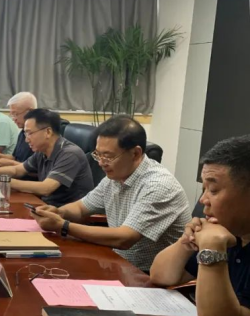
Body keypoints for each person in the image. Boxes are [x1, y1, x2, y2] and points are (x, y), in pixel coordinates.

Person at [31, 115, 189, 273]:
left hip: (147, 275)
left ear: (135, 153)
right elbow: (81, 208)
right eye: (98, 154)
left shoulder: (158, 186)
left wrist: (63, 226)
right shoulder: (115, 176)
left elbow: (124, 238)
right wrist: (58, 212)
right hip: (117, 263)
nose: (101, 163)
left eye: (108, 156)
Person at [150, 135, 250, 316]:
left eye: (213, 190)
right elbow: (162, 276)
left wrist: (212, 248)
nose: (203, 200)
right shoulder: (228, 231)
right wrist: (187, 241)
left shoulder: (218, 237)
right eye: (203, 189)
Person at [0, 109, 93, 207]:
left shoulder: (70, 153)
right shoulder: (42, 151)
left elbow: (46, 188)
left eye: (29, 133)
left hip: (65, 216)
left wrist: (3, 181)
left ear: (48, 132)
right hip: (46, 208)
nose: (26, 139)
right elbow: (17, 170)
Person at [0, 91, 36, 165]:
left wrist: (9, 163)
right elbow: (15, 158)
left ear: (30, 111)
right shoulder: (22, 133)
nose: (14, 119)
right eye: (12, 114)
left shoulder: (38, 135)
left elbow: (33, 168)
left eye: (16, 114)